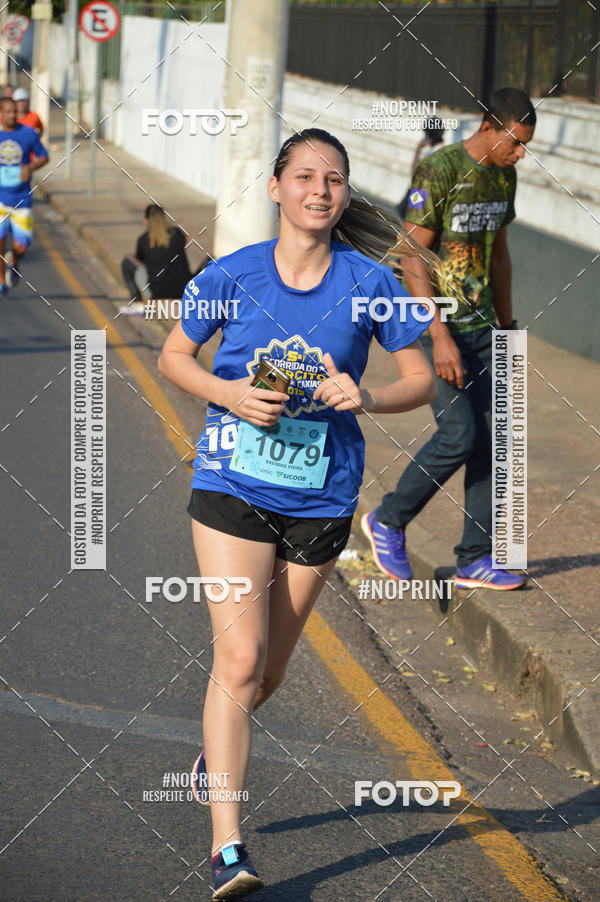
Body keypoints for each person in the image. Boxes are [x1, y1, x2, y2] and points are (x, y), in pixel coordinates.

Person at [158, 127, 438, 899]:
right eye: (306, 176)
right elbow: (174, 356)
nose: (320, 190)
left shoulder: (369, 282)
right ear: (276, 187)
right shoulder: (233, 274)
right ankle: (227, 848)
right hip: (232, 484)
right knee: (240, 658)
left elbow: (419, 380)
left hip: (324, 493)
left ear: (345, 195)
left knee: (271, 670)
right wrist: (228, 393)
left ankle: (216, 751)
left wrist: (367, 394)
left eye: (334, 179)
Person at [362, 88, 536, 591]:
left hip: (483, 327)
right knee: (459, 434)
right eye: (514, 142)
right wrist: (438, 336)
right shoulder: (439, 170)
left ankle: (475, 559)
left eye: (525, 145)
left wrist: (508, 328)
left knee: (492, 440)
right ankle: (388, 520)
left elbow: (498, 254)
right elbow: (411, 255)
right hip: (433, 326)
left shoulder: (504, 176)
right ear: (488, 127)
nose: (520, 154)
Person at [0, 97, 48, 296]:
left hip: (22, 199)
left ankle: (14, 259)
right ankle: (1, 281)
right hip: (0, 199)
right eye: (8, 111)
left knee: (22, 246)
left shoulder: (28, 133)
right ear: (1, 114)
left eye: (15, 111)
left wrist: (30, 167)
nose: (13, 115)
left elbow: (44, 156)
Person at [120, 204, 192, 314]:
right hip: (182, 289)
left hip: (156, 291)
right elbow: (185, 241)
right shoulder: (177, 233)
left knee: (127, 262)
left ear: (146, 221)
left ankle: (138, 304)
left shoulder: (143, 239)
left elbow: (140, 261)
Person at [396, 117, 445, 221]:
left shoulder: (431, 154)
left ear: (427, 134)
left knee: (408, 219)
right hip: (427, 194)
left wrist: (418, 149)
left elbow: (414, 173)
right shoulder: (442, 150)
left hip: (420, 192)